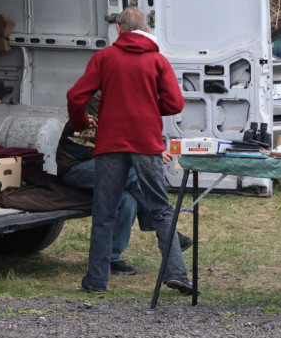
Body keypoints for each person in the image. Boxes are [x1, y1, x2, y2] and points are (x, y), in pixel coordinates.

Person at [67, 7, 194, 294]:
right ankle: (176, 274)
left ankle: (96, 281)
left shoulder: (104, 58)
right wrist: (149, 109)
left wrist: (80, 122)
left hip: (110, 143)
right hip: (146, 143)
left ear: (119, 29)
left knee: (105, 211)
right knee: (161, 208)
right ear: (145, 31)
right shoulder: (158, 60)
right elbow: (175, 104)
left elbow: (76, 96)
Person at [55, 99, 192, 276]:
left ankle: (112, 258)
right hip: (76, 167)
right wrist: (151, 150)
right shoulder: (100, 99)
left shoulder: (117, 95)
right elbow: (120, 136)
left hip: (98, 163)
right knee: (134, 176)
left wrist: (151, 148)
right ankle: (166, 230)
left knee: (128, 200)